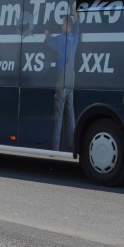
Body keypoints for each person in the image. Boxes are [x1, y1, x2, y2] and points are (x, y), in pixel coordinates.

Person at [46, 14, 80, 151]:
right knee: (70, 113)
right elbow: (78, 28)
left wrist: (47, 34)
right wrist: (76, 17)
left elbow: (50, 42)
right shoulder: (74, 38)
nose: (61, 26)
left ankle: (55, 146)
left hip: (62, 78)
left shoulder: (61, 39)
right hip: (72, 78)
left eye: (63, 24)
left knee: (59, 113)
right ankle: (71, 144)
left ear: (67, 25)